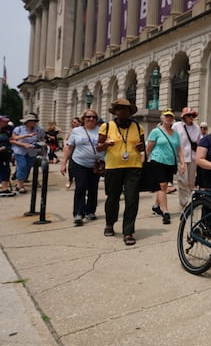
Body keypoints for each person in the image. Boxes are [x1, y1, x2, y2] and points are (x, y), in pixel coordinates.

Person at [96, 98, 145, 245]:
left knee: (132, 199)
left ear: (130, 112)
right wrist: (105, 144)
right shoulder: (107, 126)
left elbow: (143, 146)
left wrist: (140, 147)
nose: (123, 111)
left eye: (126, 109)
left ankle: (128, 232)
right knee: (113, 197)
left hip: (133, 166)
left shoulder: (137, 127)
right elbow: (98, 147)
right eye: (120, 109)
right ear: (115, 112)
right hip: (113, 167)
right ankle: (109, 223)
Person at [60, 109, 104, 225]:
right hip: (79, 162)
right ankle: (78, 213)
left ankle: (90, 211)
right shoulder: (76, 131)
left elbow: (105, 147)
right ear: (83, 119)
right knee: (81, 186)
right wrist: (64, 163)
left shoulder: (101, 131)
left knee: (93, 188)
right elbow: (69, 147)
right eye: (88, 117)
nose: (91, 119)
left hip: (95, 164)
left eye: (94, 117)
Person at [146, 109, 186, 224]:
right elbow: (148, 148)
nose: (169, 118)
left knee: (162, 186)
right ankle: (166, 212)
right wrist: (143, 163)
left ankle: (156, 206)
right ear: (162, 118)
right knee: (163, 186)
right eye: (166, 116)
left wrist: (182, 163)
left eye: (171, 117)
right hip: (157, 161)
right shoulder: (155, 131)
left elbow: (179, 150)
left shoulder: (175, 134)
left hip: (170, 163)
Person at [172, 107, 201, 208]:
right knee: (182, 181)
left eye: (192, 115)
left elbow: (198, 143)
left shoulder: (197, 128)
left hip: (193, 157)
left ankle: (188, 201)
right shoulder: (176, 126)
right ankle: (183, 204)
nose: (191, 117)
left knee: (191, 182)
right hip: (181, 158)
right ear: (183, 116)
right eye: (189, 115)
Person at [11, 113, 44, 194]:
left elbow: (41, 139)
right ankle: (19, 186)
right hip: (20, 150)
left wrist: (40, 146)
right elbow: (12, 139)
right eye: (32, 121)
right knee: (22, 165)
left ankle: (21, 181)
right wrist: (24, 141)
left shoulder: (38, 130)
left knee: (28, 167)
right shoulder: (18, 129)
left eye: (35, 121)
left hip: (32, 151)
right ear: (27, 122)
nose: (34, 123)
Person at [64, 116, 83, 189]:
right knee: (71, 166)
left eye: (75, 122)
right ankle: (70, 179)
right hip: (72, 150)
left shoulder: (82, 130)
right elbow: (66, 139)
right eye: (72, 122)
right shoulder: (71, 130)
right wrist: (66, 144)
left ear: (79, 122)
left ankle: (78, 180)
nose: (73, 123)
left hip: (80, 150)